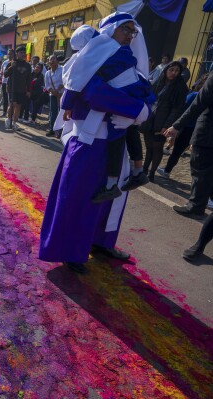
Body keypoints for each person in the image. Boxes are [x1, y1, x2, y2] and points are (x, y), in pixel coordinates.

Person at [39, 12, 152, 274]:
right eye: (125, 30)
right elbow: (94, 93)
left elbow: (142, 89)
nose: (129, 36)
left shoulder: (123, 58)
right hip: (89, 140)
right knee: (79, 197)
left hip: (115, 137)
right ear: (109, 30)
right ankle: (71, 250)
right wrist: (138, 110)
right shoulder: (92, 56)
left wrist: (141, 110)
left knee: (113, 197)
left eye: (132, 32)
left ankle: (101, 241)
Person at [164, 73, 213, 218]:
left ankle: (195, 207)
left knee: (200, 171)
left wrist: (177, 126)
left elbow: (199, 103)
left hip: (207, 133)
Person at [141, 61, 188, 182]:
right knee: (149, 146)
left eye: (177, 71)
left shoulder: (180, 87)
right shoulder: (159, 82)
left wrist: (167, 125)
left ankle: (151, 173)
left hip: (163, 121)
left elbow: (177, 109)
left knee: (157, 147)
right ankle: (144, 169)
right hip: (151, 118)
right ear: (166, 70)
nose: (173, 73)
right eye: (171, 70)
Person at [158, 74, 208, 178]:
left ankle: (167, 171)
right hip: (199, 130)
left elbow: (182, 110)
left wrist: (175, 126)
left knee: (176, 151)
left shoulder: (195, 95)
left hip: (187, 128)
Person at [4, 46, 32, 131]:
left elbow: (29, 79)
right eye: (21, 53)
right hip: (12, 88)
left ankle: (14, 123)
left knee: (18, 107)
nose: (23, 54)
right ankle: (8, 120)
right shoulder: (12, 62)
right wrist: (11, 66)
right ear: (17, 54)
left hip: (22, 89)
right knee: (12, 104)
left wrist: (28, 90)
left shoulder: (27, 65)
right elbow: (5, 74)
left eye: (24, 53)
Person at [44, 55, 64, 136]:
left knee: (61, 113)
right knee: (53, 113)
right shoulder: (47, 73)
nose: (51, 61)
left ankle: (61, 131)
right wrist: (52, 91)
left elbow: (65, 81)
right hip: (53, 95)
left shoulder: (62, 69)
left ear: (57, 61)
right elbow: (47, 85)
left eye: (53, 59)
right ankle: (52, 129)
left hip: (62, 94)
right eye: (50, 60)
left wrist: (58, 90)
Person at [0, 51, 12, 116]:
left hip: (12, 83)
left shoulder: (15, 63)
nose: (10, 55)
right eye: (9, 54)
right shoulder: (5, 62)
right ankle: (4, 112)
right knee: (5, 98)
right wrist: (0, 75)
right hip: (4, 82)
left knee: (11, 100)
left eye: (11, 54)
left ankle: (11, 114)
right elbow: (1, 71)